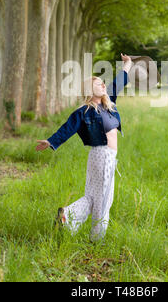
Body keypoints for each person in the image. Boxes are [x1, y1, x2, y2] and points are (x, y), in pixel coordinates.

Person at [36, 53, 133, 242]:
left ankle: (67, 216)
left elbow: (119, 82)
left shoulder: (109, 103)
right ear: (90, 91)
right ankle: (96, 240)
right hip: (103, 156)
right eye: (98, 84)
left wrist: (127, 64)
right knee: (104, 200)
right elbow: (68, 128)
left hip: (99, 158)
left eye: (103, 83)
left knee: (92, 196)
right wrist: (51, 141)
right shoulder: (85, 111)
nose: (103, 85)